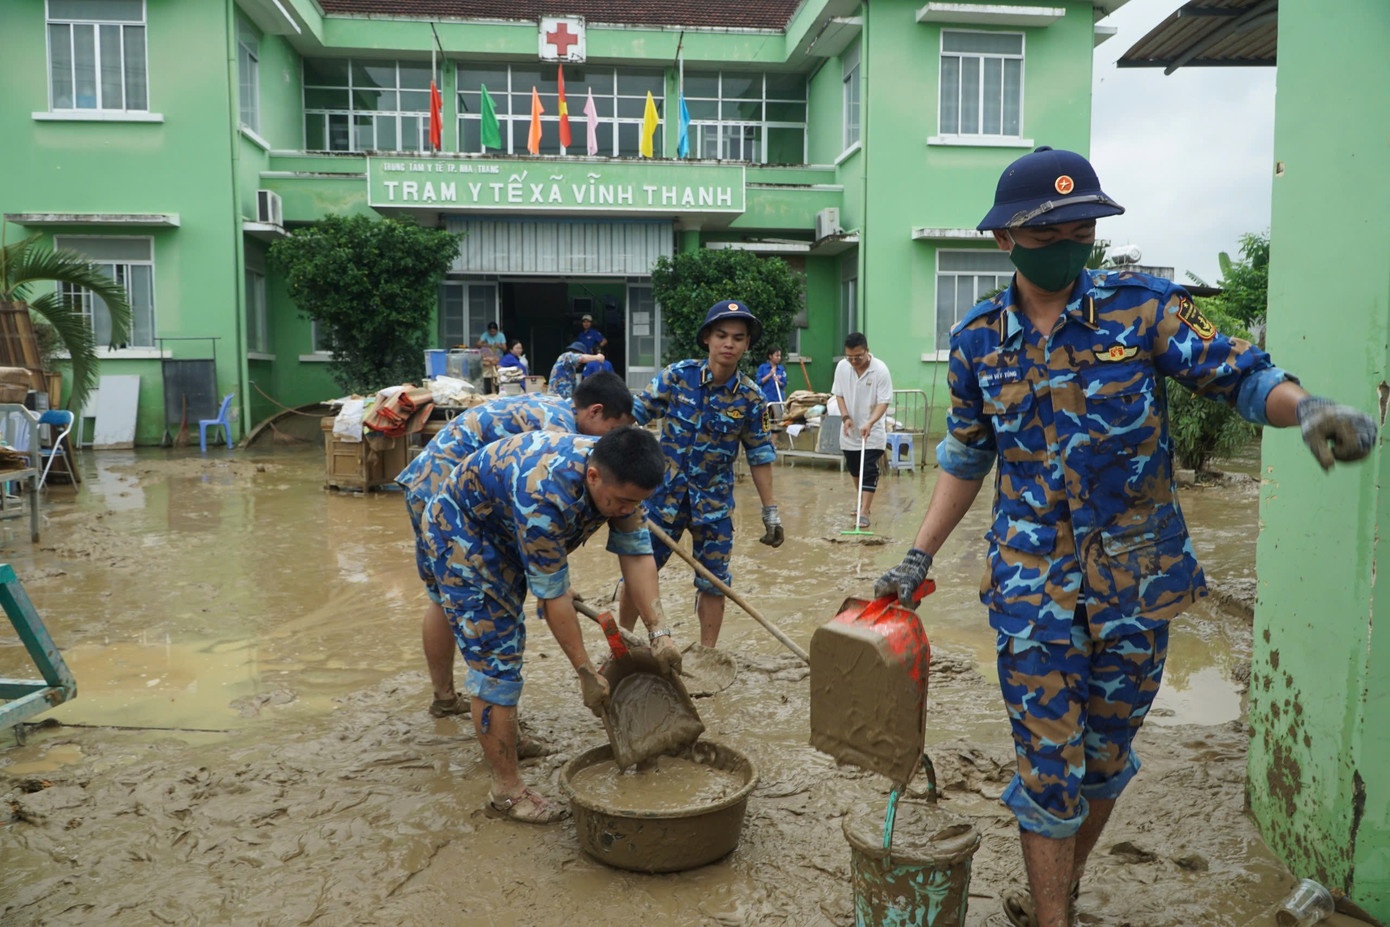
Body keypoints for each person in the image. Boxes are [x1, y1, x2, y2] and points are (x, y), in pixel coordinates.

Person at [873, 146, 1378, 927]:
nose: (1070, 244)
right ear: (1005, 239)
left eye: (1083, 228)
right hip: (1031, 584)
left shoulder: (1144, 308)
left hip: (1138, 582)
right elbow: (968, 456)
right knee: (1049, 771)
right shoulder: (978, 339)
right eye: (1050, 234)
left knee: (1104, 761)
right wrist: (918, 554)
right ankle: (1053, 918)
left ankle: (1058, 889)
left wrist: (1305, 406)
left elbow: (1242, 374)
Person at [421, 426, 679, 824]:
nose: (628, 510)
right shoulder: (543, 494)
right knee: (497, 662)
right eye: (622, 501)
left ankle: (509, 740)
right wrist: (585, 672)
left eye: (637, 503)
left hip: (509, 528)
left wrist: (659, 632)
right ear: (593, 476)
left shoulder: (620, 478)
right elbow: (553, 600)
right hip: (464, 534)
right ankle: (506, 792)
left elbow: (636, 553)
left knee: (511, 643)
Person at [396, 372, 636, 717]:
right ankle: (451, 698)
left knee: (441, 598)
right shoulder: (559, 436)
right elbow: (536, 514)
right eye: (612, 432)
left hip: (448, 486)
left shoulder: (561, 411)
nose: (610, 444)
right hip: (442, 493)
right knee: (452, 597)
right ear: (595, 412)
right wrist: (551, 588)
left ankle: (445, 699)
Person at [621, 299, 784, 648]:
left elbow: (759, 454)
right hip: (660, 498)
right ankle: (624, 645)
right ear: (707, 338)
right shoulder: (678, 376)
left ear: (746, 344)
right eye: (722, 335)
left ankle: (706, 655)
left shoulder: (752, 399)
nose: (729, 343)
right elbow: (631, 415)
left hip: (713, 504)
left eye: (738, 338)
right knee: (638, 569)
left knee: (713, 582)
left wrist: (770, 510)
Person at [831, 332, 893, 528]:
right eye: (849, 357)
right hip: (850, 430)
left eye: (858, 357)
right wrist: (845, 417)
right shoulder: (842, 367)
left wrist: (871, 422)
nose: (853, 361)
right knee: (855, 469)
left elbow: (884, 401)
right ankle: (861, 502)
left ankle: (865, 511)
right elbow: (838, 395)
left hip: (872, 432)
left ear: (867, 351)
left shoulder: (880, 370)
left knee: (868, 470)